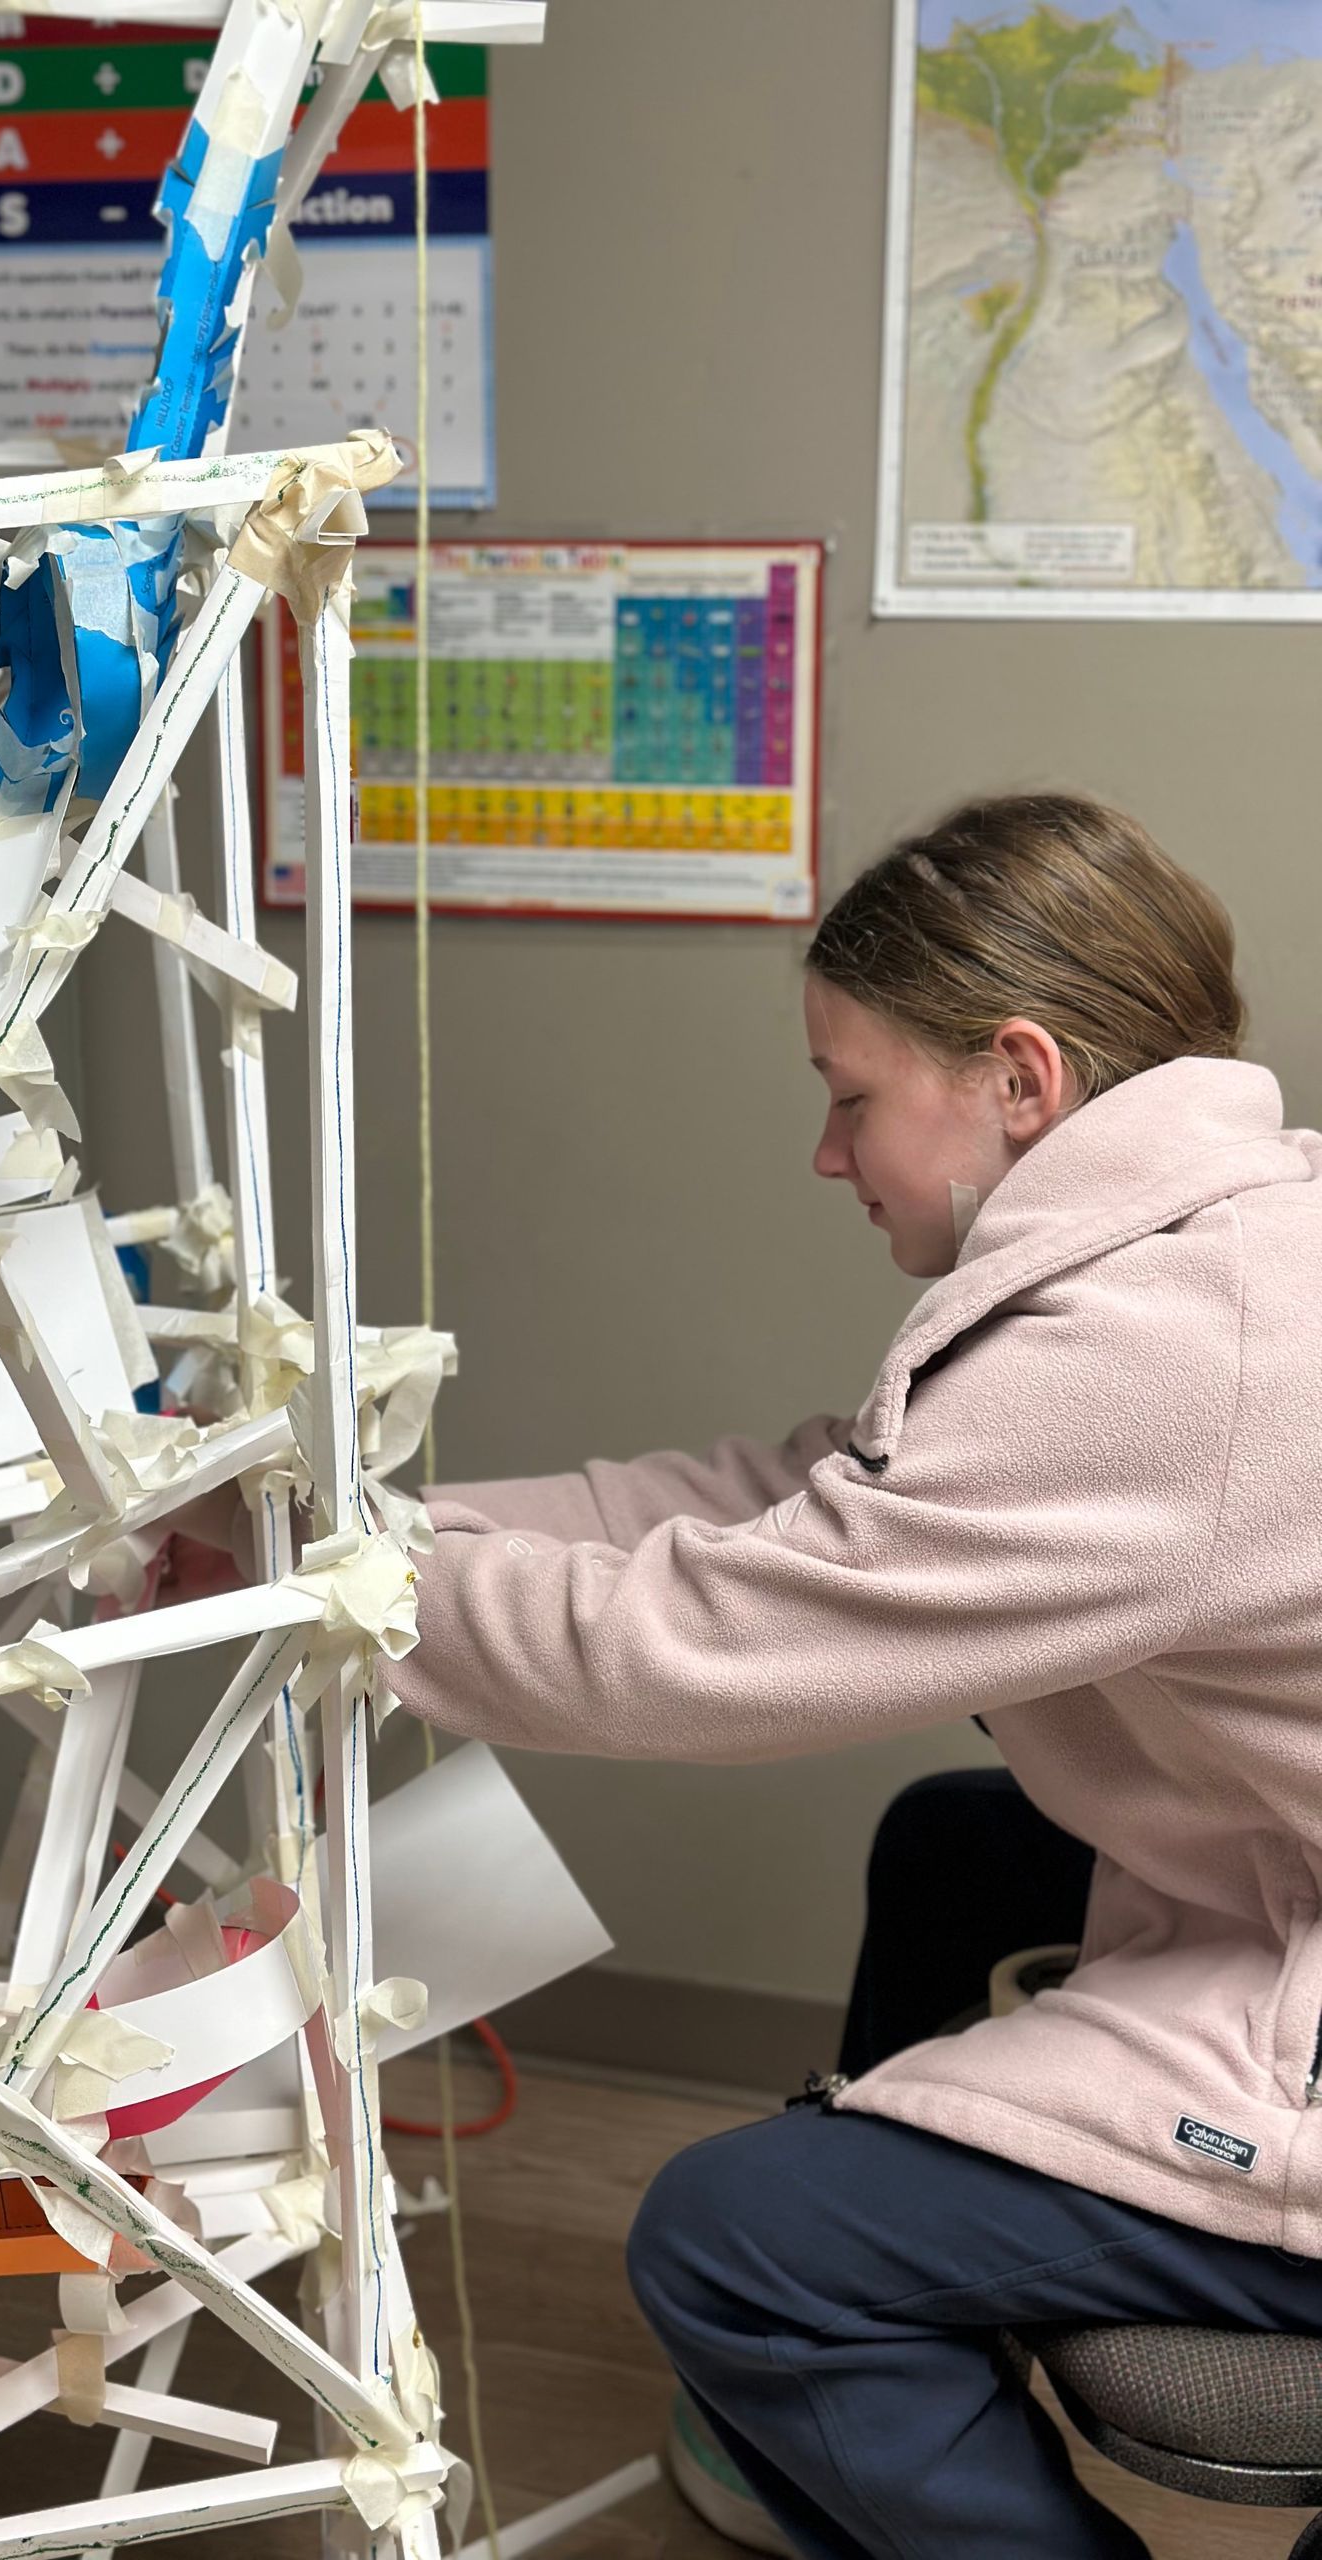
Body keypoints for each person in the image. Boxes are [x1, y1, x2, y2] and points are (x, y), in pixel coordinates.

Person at [387, 794, 1322, 2560]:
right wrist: (390, 1521)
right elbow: (812, 1492)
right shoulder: (1216, 1237)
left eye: (850, 1095)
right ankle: (871, 2351)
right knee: (953, 1842)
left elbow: (705, 1643)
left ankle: (844, 2335)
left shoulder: (1161, 1360)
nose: (830, 1156)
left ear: (1020, 1077)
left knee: (730, 2240)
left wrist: (349, 1594)